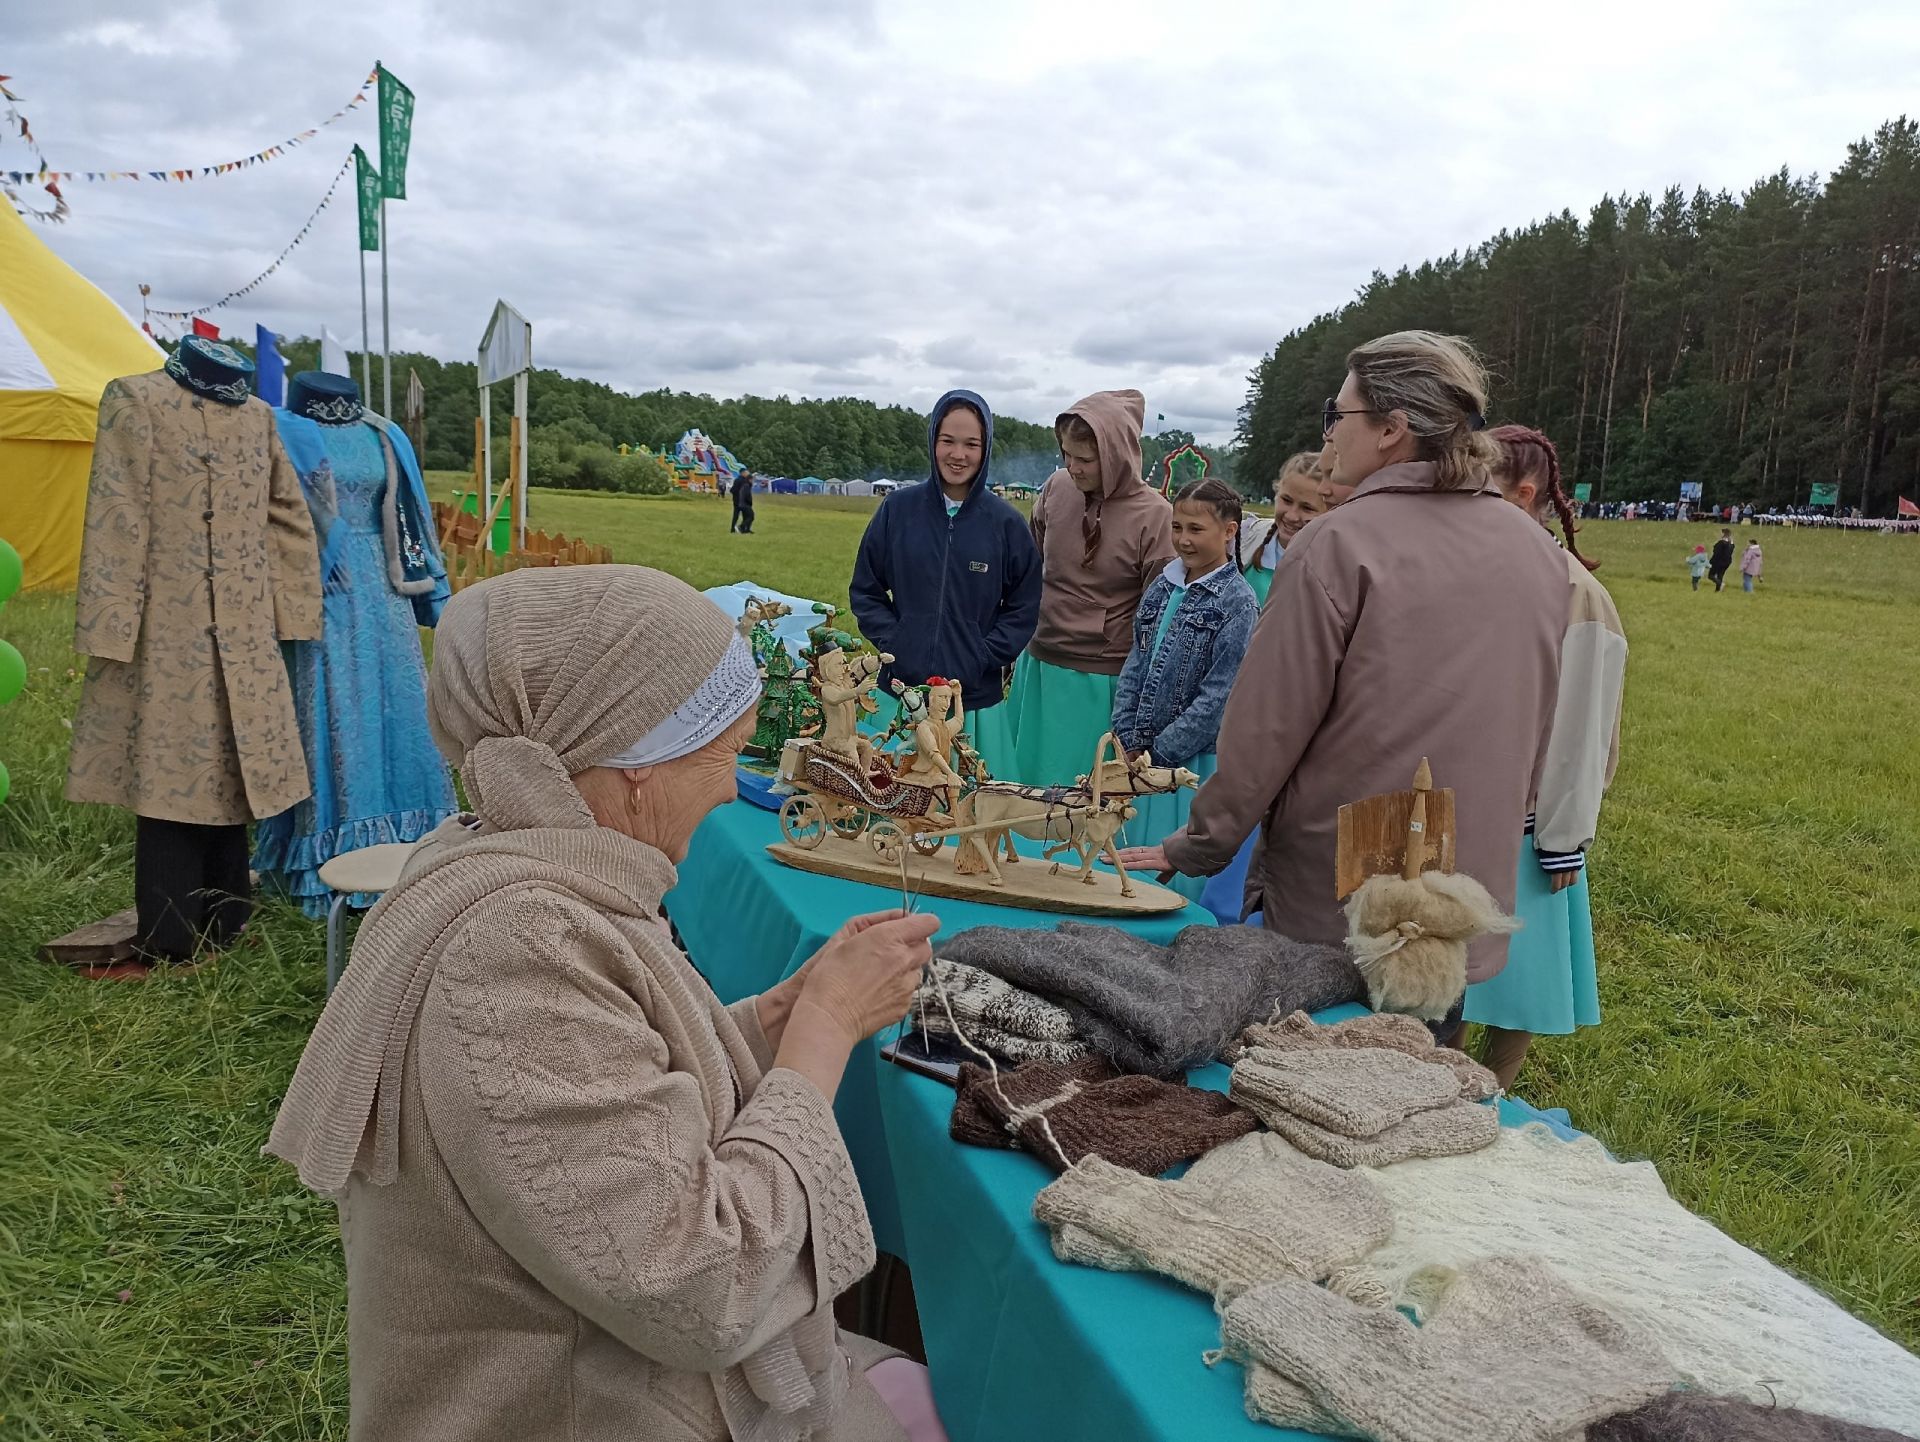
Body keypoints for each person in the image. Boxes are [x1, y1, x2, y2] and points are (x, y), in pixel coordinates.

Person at [267, 565, 949, 1442]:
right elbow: (705, 1287)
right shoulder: (517, 952)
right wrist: (824, 1033)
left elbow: (611, 1096)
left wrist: (774, 1017)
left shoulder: (509, 871)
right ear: (633, 770)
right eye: (719, 753)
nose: (725, 787)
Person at [1117, 331, 1567, 1014]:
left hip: (1345, 899)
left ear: (1392, 429)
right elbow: (1537, 727)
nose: (1329, 435)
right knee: (1425, 1076)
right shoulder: (1536, 550)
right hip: (1459, 896)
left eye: (1340, 415)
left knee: (1323, 1082)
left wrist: (1198, 844)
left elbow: (1266, 728)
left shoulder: (1336, 545)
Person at [1461, 425, 1627, 1089]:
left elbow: (1582, 726)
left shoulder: (1576, 594)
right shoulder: (1460, 570)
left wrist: (1560, 835)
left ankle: (1494, 1095)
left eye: (1481, 493)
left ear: (1524, 494)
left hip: (1526, 821)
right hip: (1453, 804)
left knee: (1519, 972)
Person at [850, 390, 1039, 775]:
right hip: (900, 698)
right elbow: (866, 590)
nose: (958, 454)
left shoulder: (1005, 525)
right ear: (933, 440)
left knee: (971, 817)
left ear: (985, 449)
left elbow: (1023, 607)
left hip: (972, 705)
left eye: (971, 444)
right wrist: (896, 642)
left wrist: (982, 657)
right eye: (948, 441)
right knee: (891, 812)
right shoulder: (897, 511)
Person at [1004, 389, 1174, 784]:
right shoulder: (1056, 488)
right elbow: (1028, 567)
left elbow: (1157, 623)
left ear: (1116, 454)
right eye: (1066, 454)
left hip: (1100, 682)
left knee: (1081, 799)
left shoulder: (1156, 518)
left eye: (1085, 458)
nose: (1072, 467)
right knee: (1020, 788)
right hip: (1039, 666)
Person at [1112, 478, 1258, 898]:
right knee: (1125, 866)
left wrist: (1160, 751)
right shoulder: (1163, 584)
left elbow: (1218, 695)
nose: (1183, 539)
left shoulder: (1238, 602)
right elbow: (1136, 658)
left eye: (1196, 529)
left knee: (1166, 879)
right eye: (1178, 527)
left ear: (1230, 531)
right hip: (1139, 756)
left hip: (1185, 763)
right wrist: (1126, 734)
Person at [1235, 452, 1330, 607]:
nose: (1292, 516)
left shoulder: (1335, 565)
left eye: (1307, 508)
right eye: (1286, 500)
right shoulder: (1245, 535)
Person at [730, 468, 756, 533]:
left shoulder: (746, 480)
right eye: (746, 472)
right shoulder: (738, 480)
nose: (747, 474)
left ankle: (745, 529)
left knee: (746, 516)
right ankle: (735, 529)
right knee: (737, 515)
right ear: (742, 473)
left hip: (743, 501)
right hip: (739, 501)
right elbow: (733, 490)